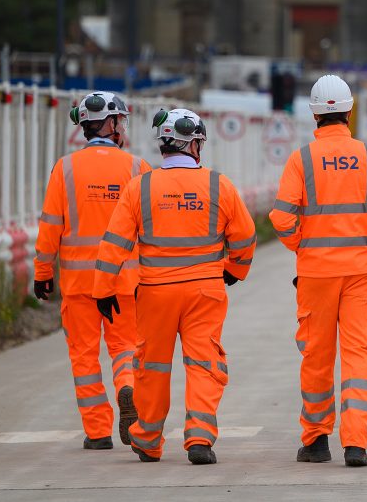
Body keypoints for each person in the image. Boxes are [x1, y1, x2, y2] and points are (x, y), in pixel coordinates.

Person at [94, 108, 257, 464]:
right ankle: (199, 438)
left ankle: (148, 440)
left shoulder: (141, 187)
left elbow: (114, 244)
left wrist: (103, 289)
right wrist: (235, 269)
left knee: (151, 366)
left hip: (154, 293)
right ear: (196, 144)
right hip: (205, 292)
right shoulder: (219, 184)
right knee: (203, 363)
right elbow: (245, 236)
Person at [270, 75, 367, 468]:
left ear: (314, 114)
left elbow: (281, 217)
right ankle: (356, 444)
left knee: (316, 356)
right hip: (359, 272)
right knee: (357, 357)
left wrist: (301, 244)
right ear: (349, 111)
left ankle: (316, 441)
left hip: (315, 274)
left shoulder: (302, 159)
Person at [33, 91, 149, 451]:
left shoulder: (64, 168)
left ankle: (98, 431)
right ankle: (127, 386)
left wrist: (42, 272)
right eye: (121, 121)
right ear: (112, 123)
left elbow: (50, 225)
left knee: (84, 355)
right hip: (124, 280)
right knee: (126, 348)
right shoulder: (137, 168)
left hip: (78, 282)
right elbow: (150, 228)